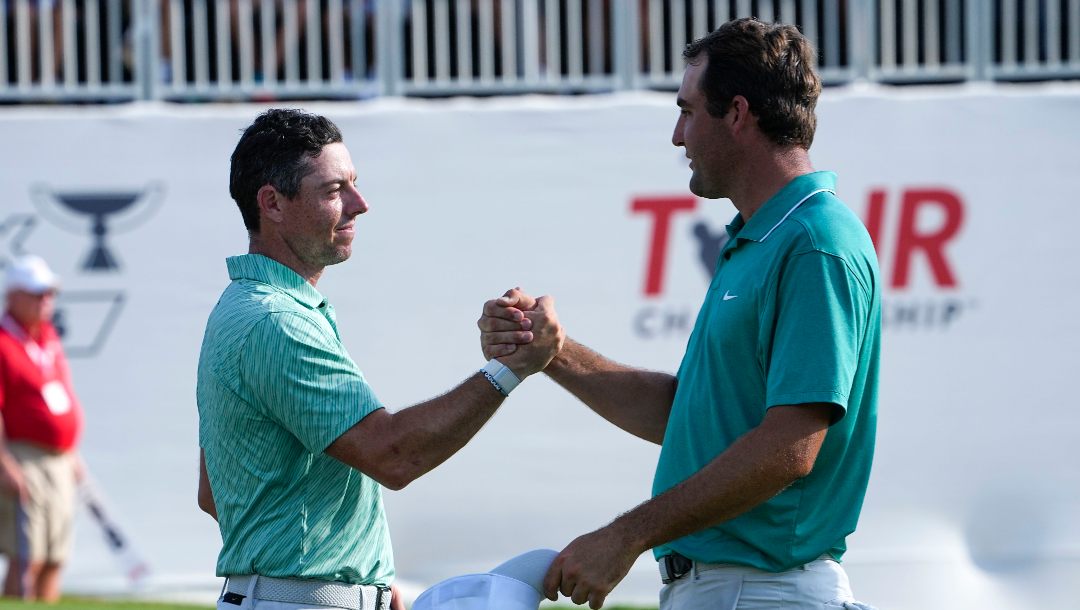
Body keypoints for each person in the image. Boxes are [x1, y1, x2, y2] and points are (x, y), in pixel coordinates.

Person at [479, 17, 881, 610]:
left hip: (763, 592)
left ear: (738, 114)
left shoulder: (815, 242)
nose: (676, 135)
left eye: (687, 111)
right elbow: (689, 418)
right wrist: (553, 352)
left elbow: (792, 444)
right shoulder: (761, 239)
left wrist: (626, 535)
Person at [196, 108, 564, 610]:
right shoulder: (275, 320)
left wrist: (353, 575)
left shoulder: (251, 307)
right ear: (272, 204)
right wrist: (510, 368)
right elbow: (394, 455)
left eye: (353, 184)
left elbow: (214, 494)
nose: (359, 204)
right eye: (333, 191)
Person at [0, 255, 84, 602]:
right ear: (14, 296)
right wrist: (4, 462)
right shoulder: (4, 342)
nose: (45, 301)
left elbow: (60, 394)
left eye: (48, 294)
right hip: (24, 458)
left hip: (59, 460)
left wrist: (72, 452)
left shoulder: (47, 337)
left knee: (54, 556)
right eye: (37, 294)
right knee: (26, 557)